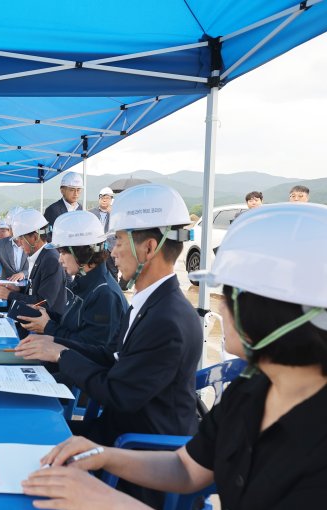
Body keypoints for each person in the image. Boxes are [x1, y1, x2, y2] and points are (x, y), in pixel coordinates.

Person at [22, 203, 327, 510]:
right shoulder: (253, 389)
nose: (220, 305)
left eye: (230, 293)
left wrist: (110, 503)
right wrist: (103, 456)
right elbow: (186, 467)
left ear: (281, 312)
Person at [15, 184, 202, 471]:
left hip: (139, 456)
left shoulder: (166, 319)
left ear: (149, 248)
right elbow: (110, 355)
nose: (112, 252)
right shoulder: (150, 304)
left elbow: (118, 392)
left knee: (25, 442)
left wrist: (62, 354)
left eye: (119, 242)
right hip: (119, 436)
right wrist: (56, 346)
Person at [19, 211, 127, 357]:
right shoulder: (85, 282)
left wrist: (48, 327)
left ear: (81, 252)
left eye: (63, 252)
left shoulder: (104, 294)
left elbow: (91, 349)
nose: (60, 259)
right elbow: (75, 324)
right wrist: (47, 315)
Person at [0, 209, 65, 323]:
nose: (19, 244)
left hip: (47, 325)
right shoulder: (41, 256)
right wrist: (19, 289)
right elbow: (36, 291)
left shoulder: (50, 260)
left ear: (35, 238)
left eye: (21, 239)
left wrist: (10, 295)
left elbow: (43, 301)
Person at [0, 207, 29, 281]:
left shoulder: (32, 244)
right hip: (6, 287)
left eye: (18, 227)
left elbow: (38, 268)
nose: (15, 231)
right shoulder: (0, 244)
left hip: (28, 287)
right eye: (12, 227)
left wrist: (23, 274)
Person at [43, 171, 84, 242]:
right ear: (62, 190)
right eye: (72, 190)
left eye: (78, 190)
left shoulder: (80, 208)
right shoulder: (52, 210)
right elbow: (47, 237)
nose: (76, 193)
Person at [89, 186, 118, 281]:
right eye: (102, 198)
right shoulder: (91, 213)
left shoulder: (116, 213)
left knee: (113, 272)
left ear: (112, 200)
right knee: (95, 271)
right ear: (99, 199)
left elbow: (119, 228)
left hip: (110, 247)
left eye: (107, 198)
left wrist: (112, 212)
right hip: (95, 247)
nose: (104, 200)